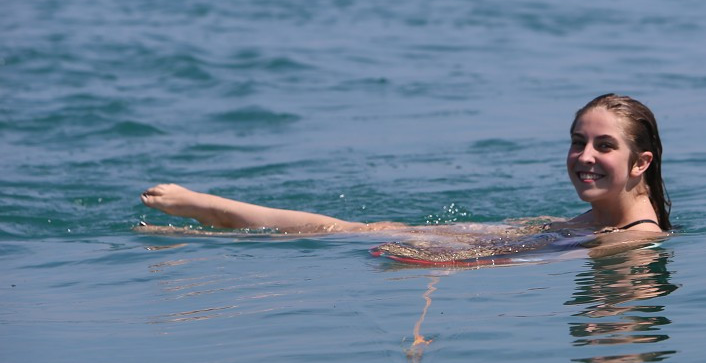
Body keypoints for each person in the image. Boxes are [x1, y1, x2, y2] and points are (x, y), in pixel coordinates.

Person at [139, 94, 670, 249]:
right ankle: (208, 212)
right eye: (578, 142)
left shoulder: (634, 240)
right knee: (355, 231)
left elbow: (523, 261)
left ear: (640, 162)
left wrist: (440, 264)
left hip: (531, 240)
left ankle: (208, 214)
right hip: (542, 230)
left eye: (603, 146)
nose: (583, 157)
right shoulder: (602, 223)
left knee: (351, 232)